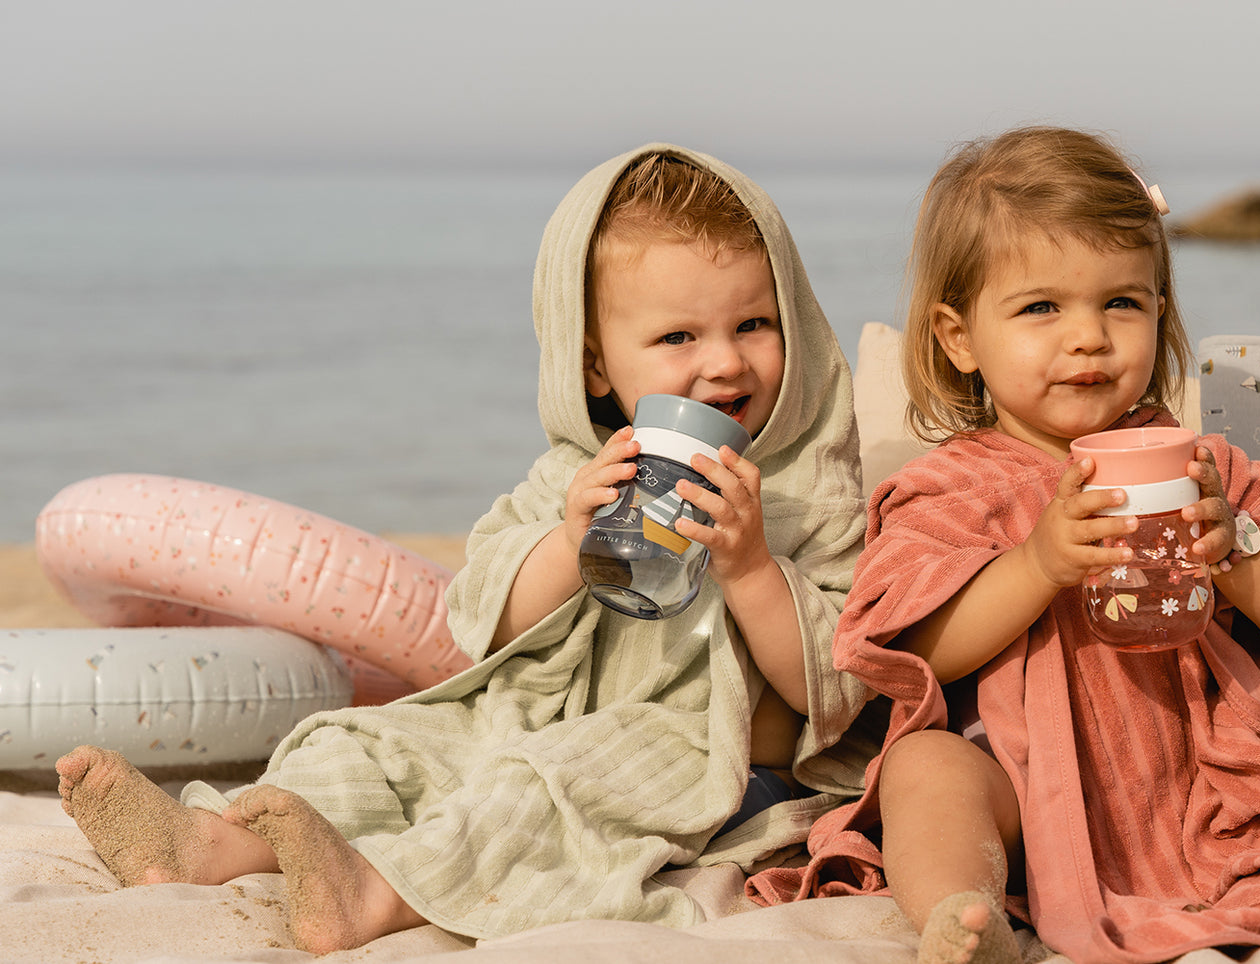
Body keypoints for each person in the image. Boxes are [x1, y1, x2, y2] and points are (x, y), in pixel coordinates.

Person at [56, 143, 878, 953]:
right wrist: (566, 538)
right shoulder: (577, 474)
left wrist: (750, 568)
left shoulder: (809, 486)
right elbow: (483, 614)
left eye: (753, 323)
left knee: (539, 790)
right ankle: (217, 847)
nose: (724, 361)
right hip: (535, 718)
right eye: (677, 338)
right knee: (375, 745)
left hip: (705, 761)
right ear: (595, 363)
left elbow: (835, 687)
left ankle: (377, 898)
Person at [747, 126, 1260, 964]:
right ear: (958, 336)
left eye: (1121, 302)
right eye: (1041, 307)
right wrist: (1036, 565)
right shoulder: (948, 489)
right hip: (1029, 780)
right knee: (924, 771)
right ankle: (963, 918)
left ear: (1159, 312)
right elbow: (909, 645)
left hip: (1214, 770)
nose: (1087, 336)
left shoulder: (1206, 466)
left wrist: (1238, 547)